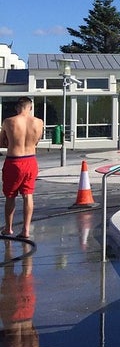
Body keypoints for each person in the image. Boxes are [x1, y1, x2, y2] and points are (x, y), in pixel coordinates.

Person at [0, 97, 43, 240]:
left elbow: (1, 143)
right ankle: (25, 230)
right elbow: (37, 141)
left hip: (14, 160)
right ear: (30, 107)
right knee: (28, 194)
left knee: (10, 195)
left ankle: (8, 228)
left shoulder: (8, 121)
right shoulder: (38, 122)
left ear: (18, 107)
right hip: (30, 160)